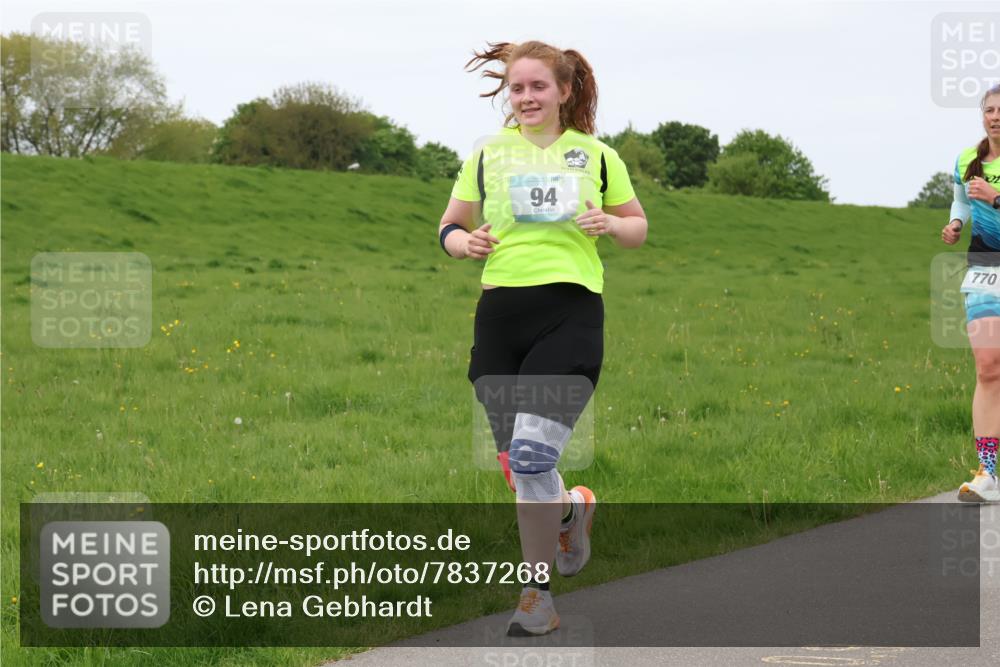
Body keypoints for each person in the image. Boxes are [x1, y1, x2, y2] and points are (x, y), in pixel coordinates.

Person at [437, 40, 647, 635]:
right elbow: (451, 225)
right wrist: (463, 243)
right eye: (517, 87)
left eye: (538, 87)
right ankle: (572, 511)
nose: (526, 97)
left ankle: (536, 598)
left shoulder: (598, 156)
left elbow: (637, 228)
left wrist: (610, 222)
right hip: (500, 317)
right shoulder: (486, 154)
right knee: (522, 470)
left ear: (564, 91)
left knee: (532, 456)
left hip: (570, 311)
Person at [942, 83, 1000, 503]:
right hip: (984, 264)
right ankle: (988, 471)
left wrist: (996, 198)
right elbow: (961, 202)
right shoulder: (967, 159)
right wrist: (957, 225)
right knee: (987, 366)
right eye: (990, 110)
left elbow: (988, 200)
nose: (996, 116)